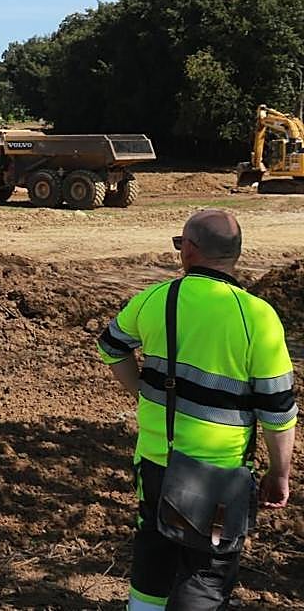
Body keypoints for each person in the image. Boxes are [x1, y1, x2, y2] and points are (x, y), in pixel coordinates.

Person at [97, 209, 297, 610]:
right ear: (235, 255)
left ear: (189, 250)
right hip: (219, 475)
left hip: (155, 462)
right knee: (206, 572)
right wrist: (279, 473)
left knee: (153, 550)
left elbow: (111, 346)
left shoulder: (155, 299)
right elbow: (277, 410)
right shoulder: (258, 318)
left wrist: (141, 391)